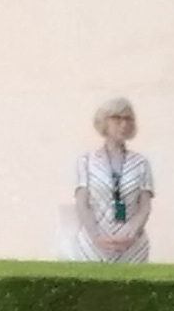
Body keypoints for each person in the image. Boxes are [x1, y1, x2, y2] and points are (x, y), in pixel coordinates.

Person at [64, 98, 153, 261]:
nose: (123, 124)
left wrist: (131, 234)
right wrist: (96, 236)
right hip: (93, 247)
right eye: (117, 118)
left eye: (127, 119)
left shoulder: (141, 163)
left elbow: (144, 207)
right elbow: (82, 204)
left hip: (132, 247)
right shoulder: (86, 162)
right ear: (104, 122)